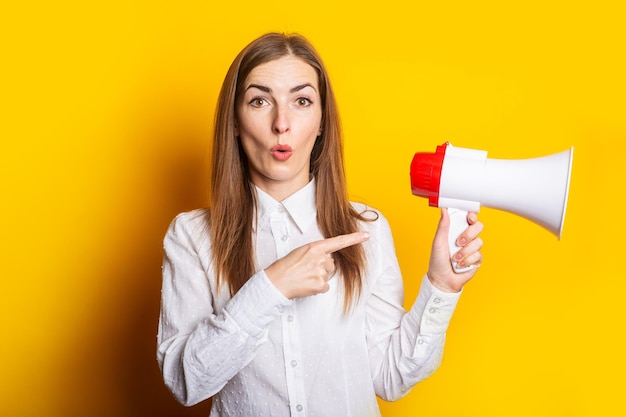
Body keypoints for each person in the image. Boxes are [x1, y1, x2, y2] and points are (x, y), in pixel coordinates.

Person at [157, 32, 483, 417]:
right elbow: (185, 382)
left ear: (322, 121)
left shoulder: (368, 230)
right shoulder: (191, 236)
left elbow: (389, 378)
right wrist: (271, 286)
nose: (282, 123)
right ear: (234, 121)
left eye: (302, 101)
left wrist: (441, 288)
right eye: (260, 101)